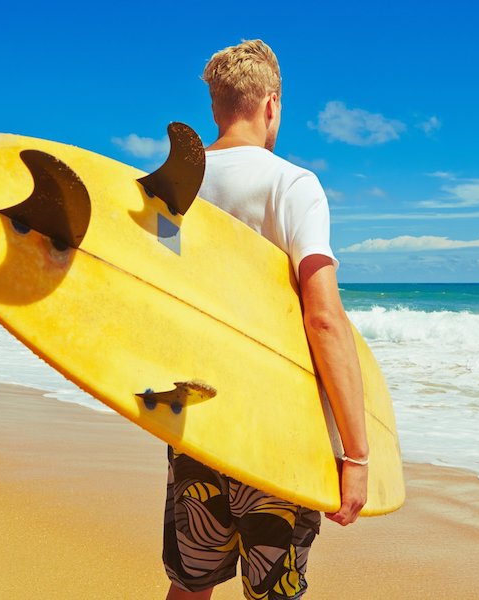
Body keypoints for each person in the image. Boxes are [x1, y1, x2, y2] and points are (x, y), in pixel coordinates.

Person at [164, 40, 368, 600]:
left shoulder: (178, 188)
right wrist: (356, 454)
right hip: (279, 432)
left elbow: (155, 304)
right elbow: (323, 319)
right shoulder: (292, 185)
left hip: (197, 422)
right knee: (272, 594)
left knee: (190, 583)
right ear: (272, 104)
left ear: (215, 108)